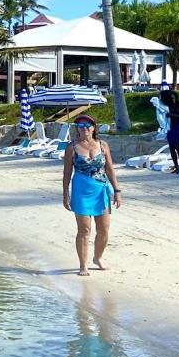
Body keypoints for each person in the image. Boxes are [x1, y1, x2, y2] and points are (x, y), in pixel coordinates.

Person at [62, 114, 122, 276]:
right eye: (81, 126)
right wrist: (65, 194)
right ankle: (83, 265)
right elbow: (67, 173)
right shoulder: (71, 147)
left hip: (101, 190)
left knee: (103, 229)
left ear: (94, 127)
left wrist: (117, 191)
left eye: (88, 125)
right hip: (80, 192)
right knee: (84, 230)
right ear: (77, 129)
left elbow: (109, 169)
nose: (85, 128)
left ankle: (98, 258)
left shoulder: (102, 145)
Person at [160, 89, 179, 173]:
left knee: (177, 145)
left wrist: (172, 115)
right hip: (170, 127)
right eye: (171, 98)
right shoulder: (166, 106)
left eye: (174, 98)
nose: (173, 99)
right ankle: (176, 167)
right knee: (171, 147)